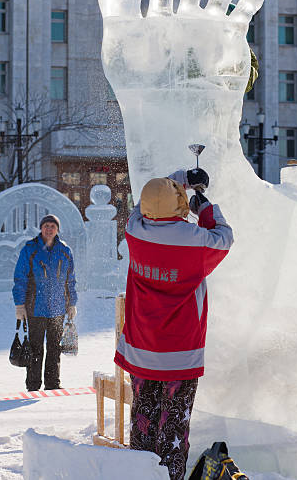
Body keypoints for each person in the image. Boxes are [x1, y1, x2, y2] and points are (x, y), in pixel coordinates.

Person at [115, 169, 233, 480]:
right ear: (178, 203)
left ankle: (139, 474)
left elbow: (145, 206)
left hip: (141, 348)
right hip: (179, 352)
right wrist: (203, 207)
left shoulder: (135, 232)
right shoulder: (194, 241)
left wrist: (177, 180)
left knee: (143, 420)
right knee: (173, 428)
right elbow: (224, 237)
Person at [12, 214, 77, 391]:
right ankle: (33, 385)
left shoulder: (65, 250)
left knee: (55, 348)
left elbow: (70, 279)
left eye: (52, 226)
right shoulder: (30, 249)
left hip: (58, 308)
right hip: (35, 307)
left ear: (57, 229)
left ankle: (53, 384)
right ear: (41, 228)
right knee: (35, 348)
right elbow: (20, 278)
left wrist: (72, 303)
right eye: (46, 226)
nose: (49, 229)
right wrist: (19, 305)